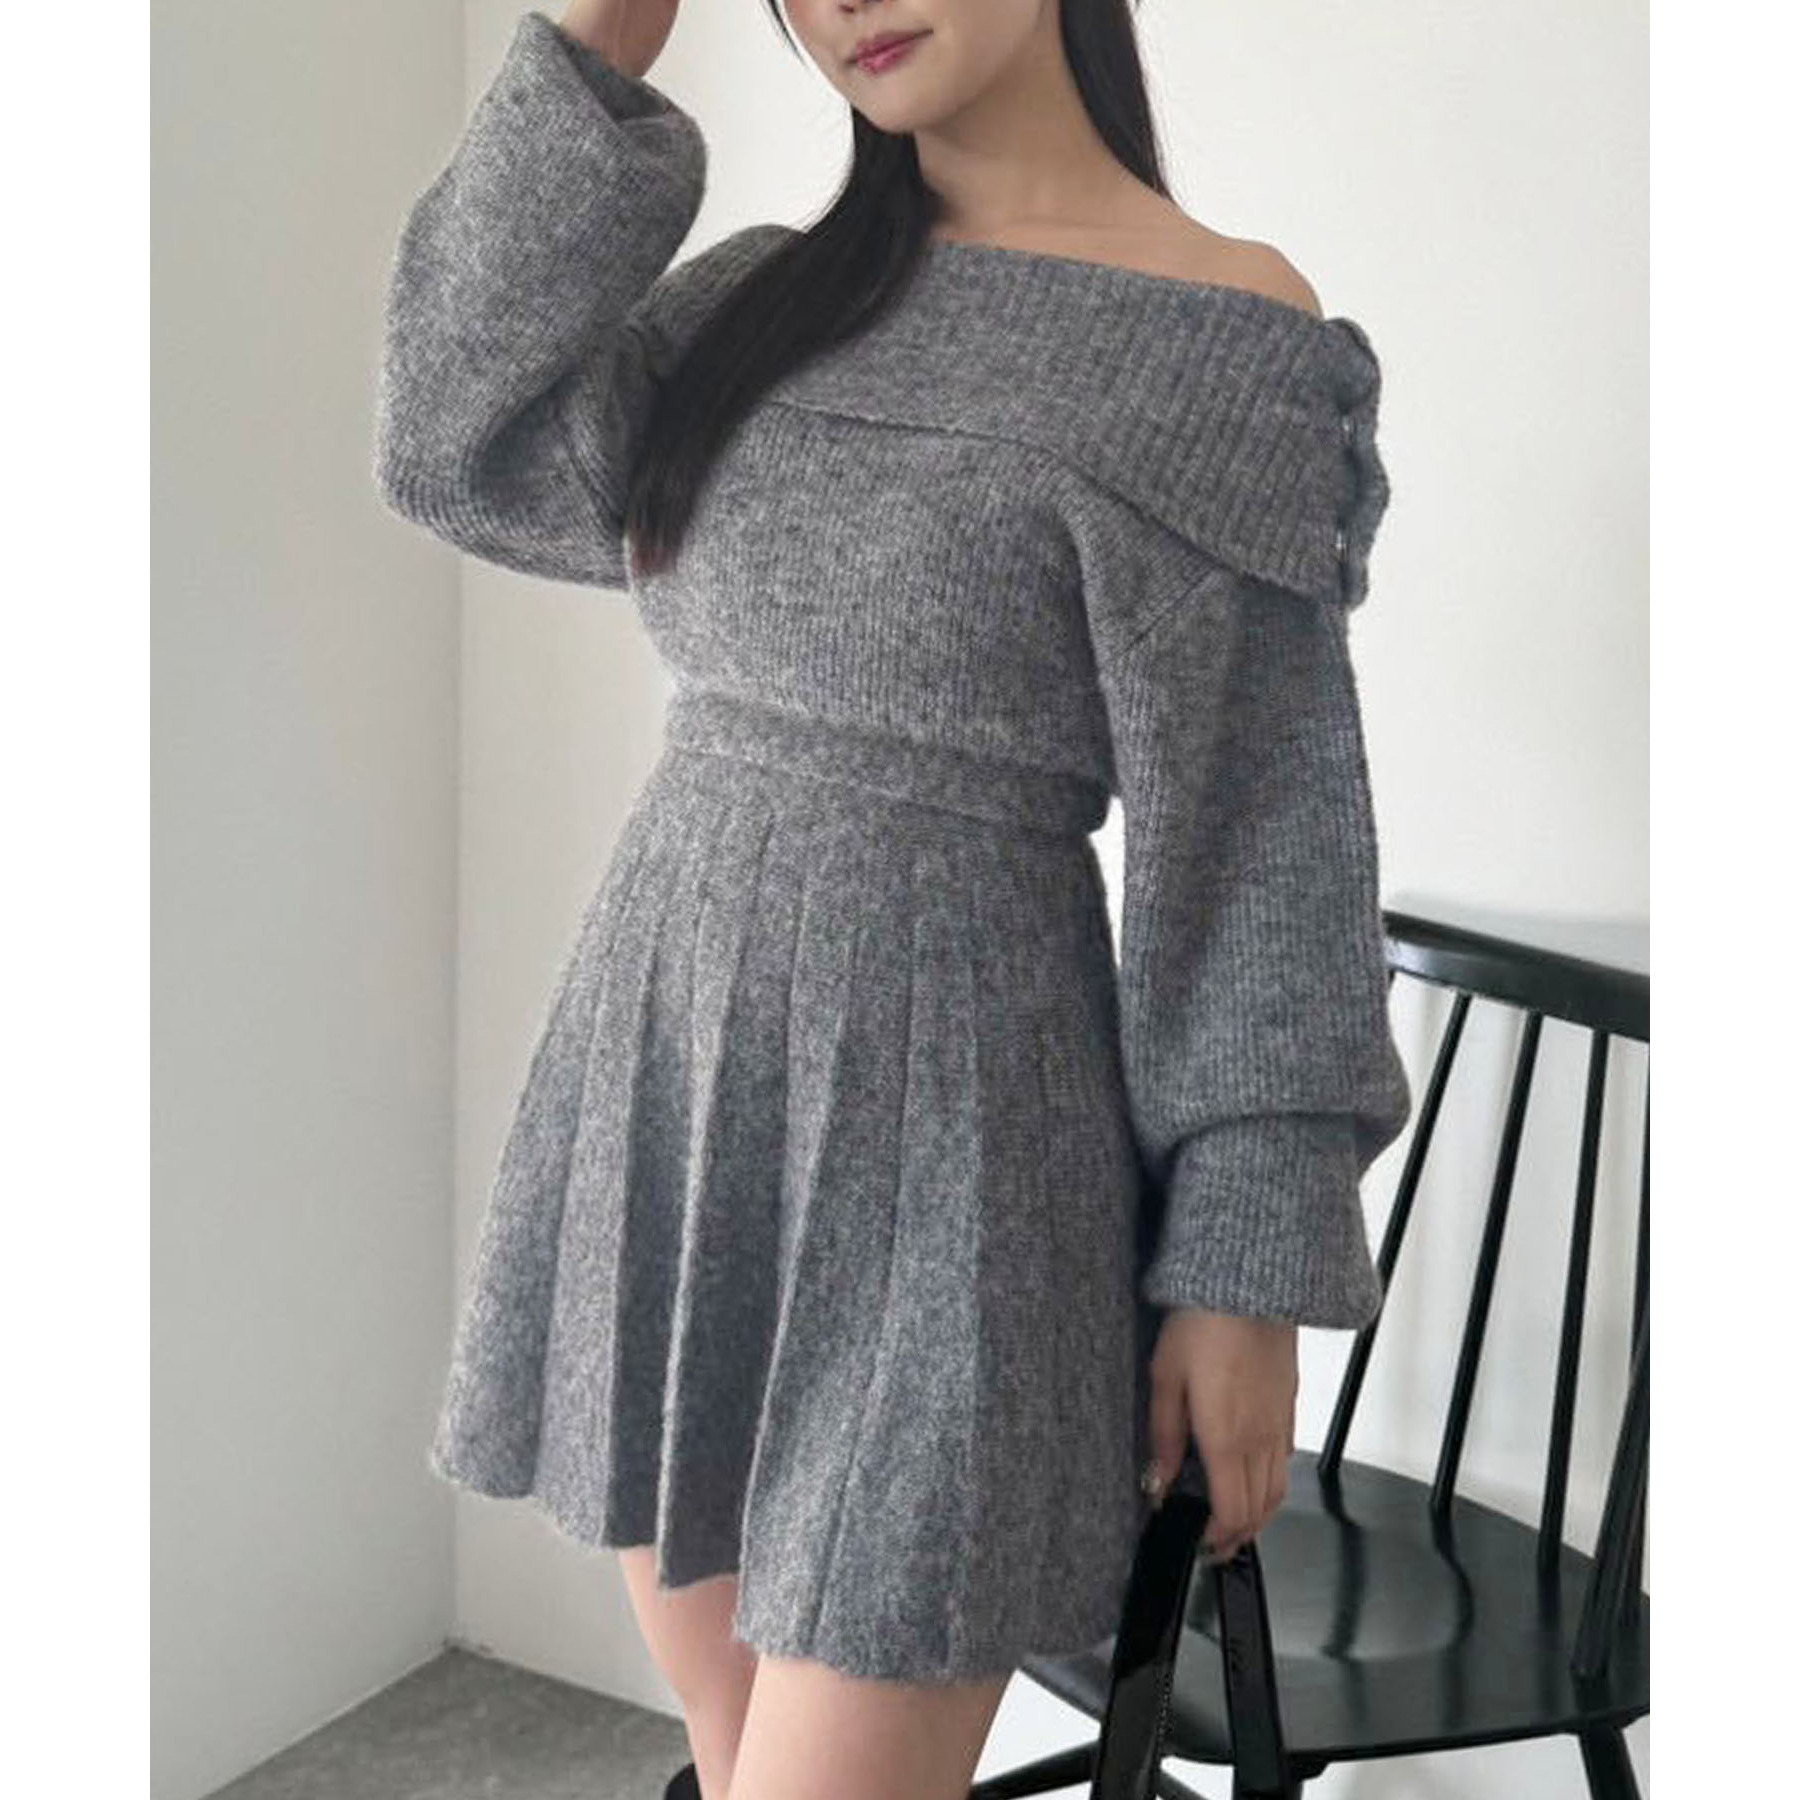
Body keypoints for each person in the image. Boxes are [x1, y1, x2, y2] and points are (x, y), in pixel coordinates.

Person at [371, 3, 1413, 1797]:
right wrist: (596, 45)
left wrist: (1244, 1277)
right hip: (681, 1097)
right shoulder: (763, 301)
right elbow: (451, 435)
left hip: (963, 1171)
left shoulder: (1221, 334)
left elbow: (1264, 847)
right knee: (731, 1755)